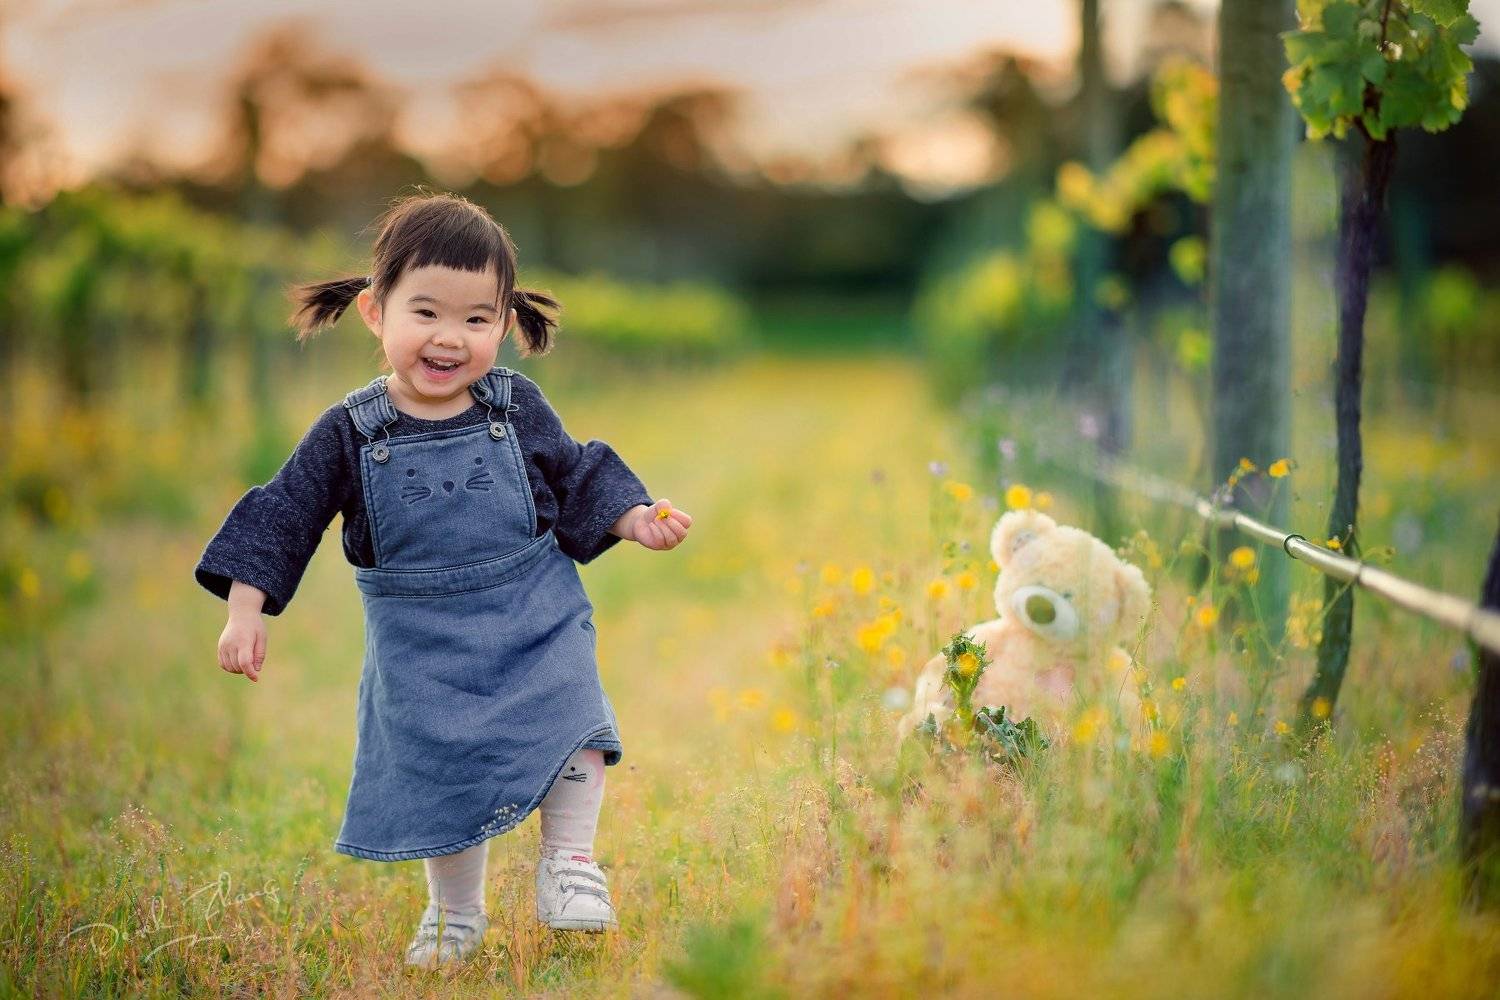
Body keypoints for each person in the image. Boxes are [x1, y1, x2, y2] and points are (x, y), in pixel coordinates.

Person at [194, 191, 692, 971]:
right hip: (420, 638)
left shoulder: (515, 405)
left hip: (534, 611)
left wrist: (633, 516)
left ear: (503, 323)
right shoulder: (351, 432)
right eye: (425, 312)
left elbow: (576, 471)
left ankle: (570, 865)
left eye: (475, 319)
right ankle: (454, 913)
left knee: (572, 720)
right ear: (374, 311)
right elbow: (285, 511)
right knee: (440, 772)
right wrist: (244, 608)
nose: (449, 339)